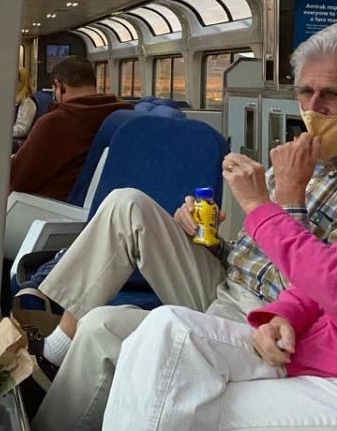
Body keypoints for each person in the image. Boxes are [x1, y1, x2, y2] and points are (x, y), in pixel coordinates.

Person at [30, 23, 337, 431]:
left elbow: (310, 288)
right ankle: (48, 358)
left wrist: (284, 201)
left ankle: (45, 349)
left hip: (272, 321)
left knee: (103, 328)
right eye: (305, 93)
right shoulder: (295, 162)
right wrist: (207, 242)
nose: (315, 107)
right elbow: (256, 255)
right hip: (225, 285)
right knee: (127, 204)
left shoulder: (299, 178)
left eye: (331, 94)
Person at [102, 155, 337, 429]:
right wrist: (211, 241)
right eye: (304, 108)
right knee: (102, 326)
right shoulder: (296, 165)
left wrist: (275, 204)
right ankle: (52, 348)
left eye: (327, 109)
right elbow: (305, 284)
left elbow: (317, 279)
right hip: (270, 317)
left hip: (283, 332)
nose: (313, 114)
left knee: (175, 352)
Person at [10, 56, 130, 201]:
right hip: (103, 203)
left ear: (59, 86)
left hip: (49, 205)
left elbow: (18, 179)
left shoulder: (56, 122)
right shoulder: (123, 115)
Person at [12, 67, 37, 152]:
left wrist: (3, 132)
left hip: (18, 143)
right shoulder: (12, 100)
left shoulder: (27, 102)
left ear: (20, 82)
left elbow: (22, 129)